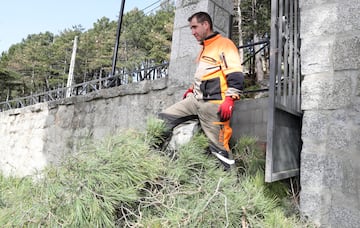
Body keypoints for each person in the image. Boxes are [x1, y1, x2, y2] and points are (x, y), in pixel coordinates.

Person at [159, 11, 244, 170]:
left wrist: (230, 99)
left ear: (206, 25)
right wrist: (191, 89)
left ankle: (230, 186)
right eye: (191, 29)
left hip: (213, 105)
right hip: (194, 101)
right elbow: (205, 74)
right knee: (163, 120)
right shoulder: (205, 48)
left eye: (194, 27)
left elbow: (236, 75)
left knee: (219, 149)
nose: (193, 32)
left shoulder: (224, 44)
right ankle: (156, 162)